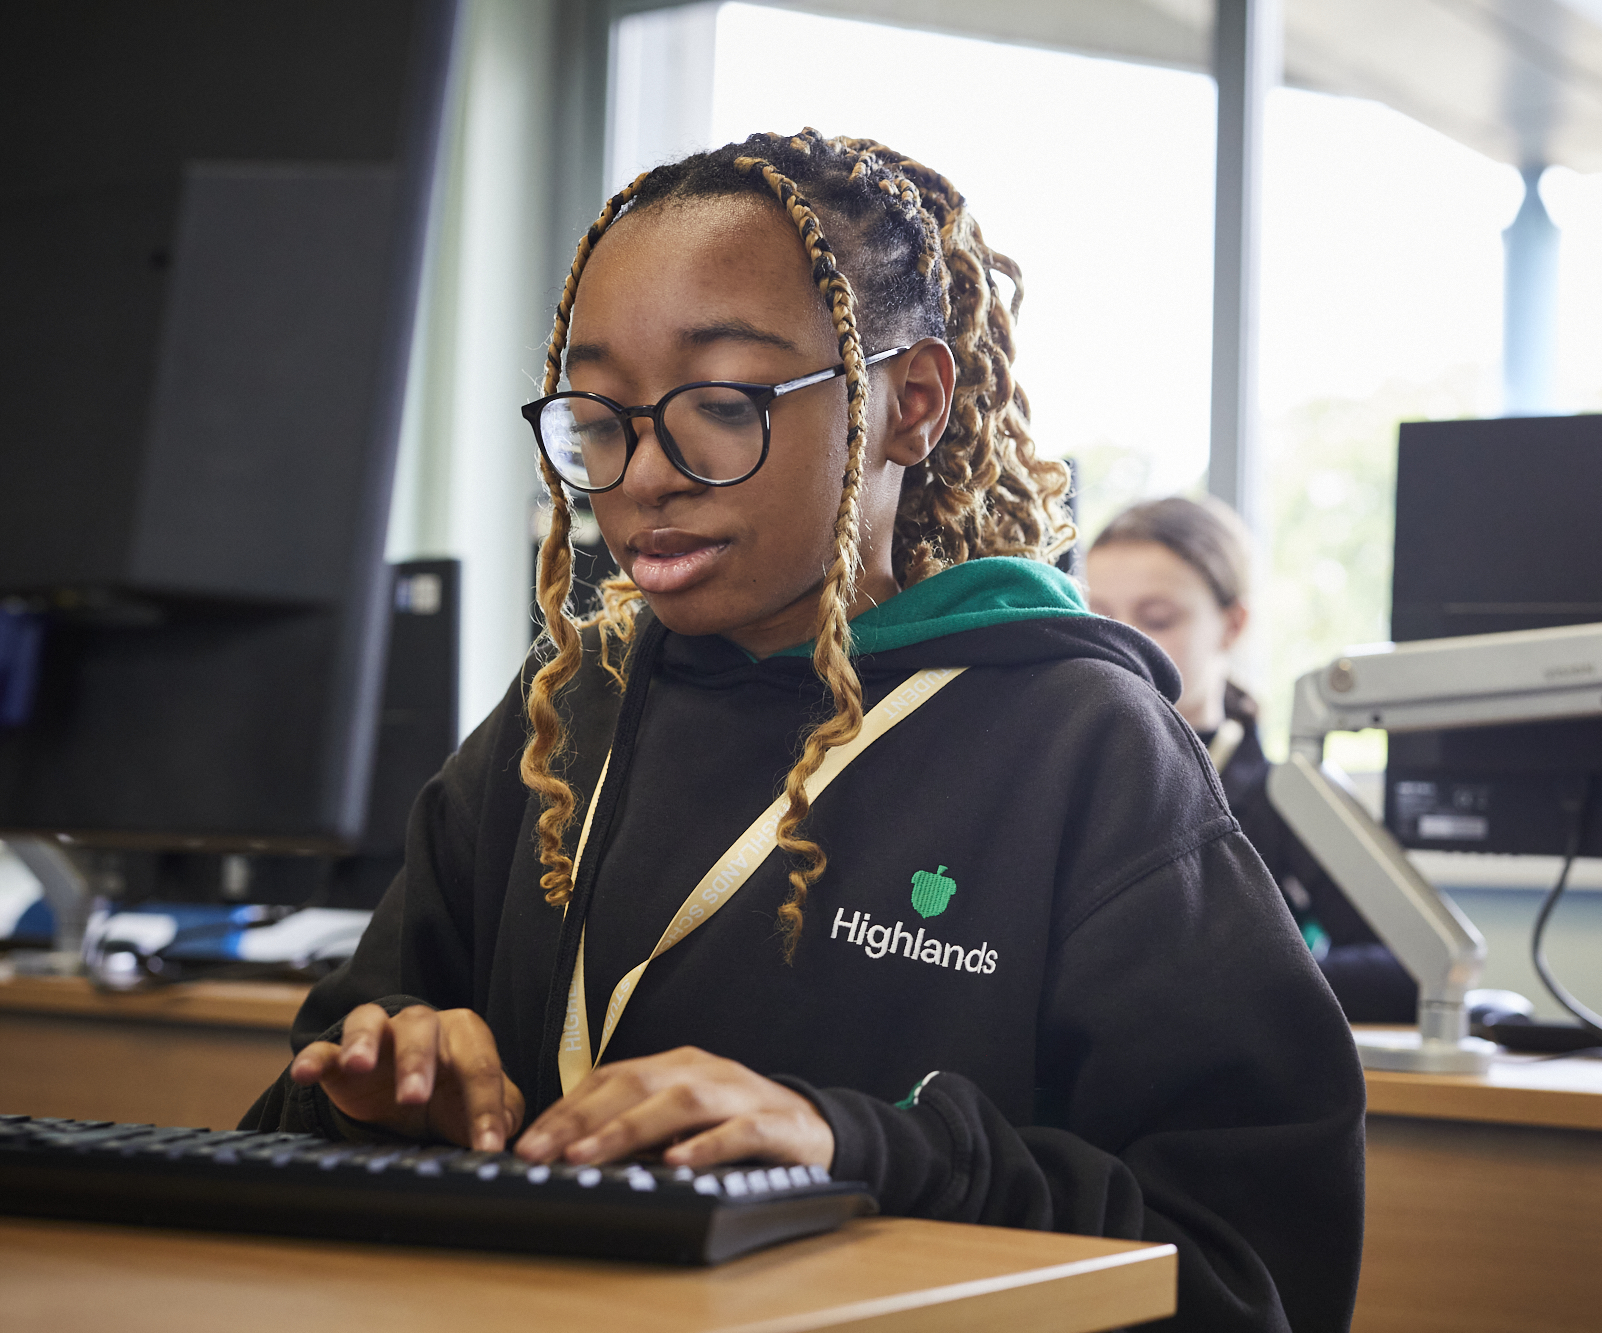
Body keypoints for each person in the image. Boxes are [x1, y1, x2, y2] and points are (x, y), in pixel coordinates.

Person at [240, 131, 1364, 1329]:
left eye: (722, 402)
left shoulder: (1078, 744)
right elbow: (289, 1113)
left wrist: (855, 1148)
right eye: (597, 413)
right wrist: (372, 1093)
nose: (642, 474)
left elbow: (1251, 1268)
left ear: (909, 404)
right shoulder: (564, 718)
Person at [1085, 496, 1417, 1023]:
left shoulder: (1283, 797)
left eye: (1157, 618)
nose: (1124, 641)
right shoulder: (1068, 774)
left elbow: (1408, 970)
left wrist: (1226, 978)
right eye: (1098, 616)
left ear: (1233, 625)